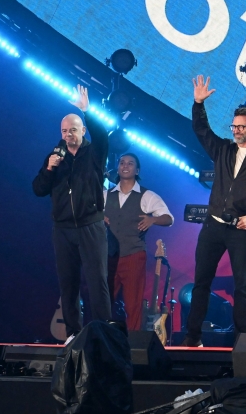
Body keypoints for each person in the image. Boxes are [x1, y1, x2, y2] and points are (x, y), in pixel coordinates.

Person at [186, 75, 246, 347]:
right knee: (201, 282)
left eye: (242, 127)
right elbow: (202, 130)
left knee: (242, 287)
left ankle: (242, 341)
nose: (237, 130)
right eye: (234, 126)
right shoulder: (224, 150)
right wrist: (198, 103)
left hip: (240, 230)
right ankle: (192, 337)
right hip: (213, 225)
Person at [32, 85, 111, 338]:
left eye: (73, 130)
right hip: (63, 229)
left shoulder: (94, 153)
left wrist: (87, 110)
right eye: (64, 131)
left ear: (83, 131)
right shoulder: (55, 156)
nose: (68, 135)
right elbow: (38, 189)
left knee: (97, 281)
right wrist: (49, 169)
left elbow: (103, 135)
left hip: (91, 226)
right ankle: (72, 334)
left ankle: (102, 332)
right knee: (68, 284)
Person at [104, 152, 174, 331]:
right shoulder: (105, 195)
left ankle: (133, 347)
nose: (125, 166)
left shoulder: (146, 196)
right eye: (122, 163)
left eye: (130, 163)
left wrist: (153, 219)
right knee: (103, 302)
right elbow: (89, 215)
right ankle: (100, 342)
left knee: (133, 305)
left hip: (133, 256)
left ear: (137, 170)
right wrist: (99, 217)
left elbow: (168, 218)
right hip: (108, 257)